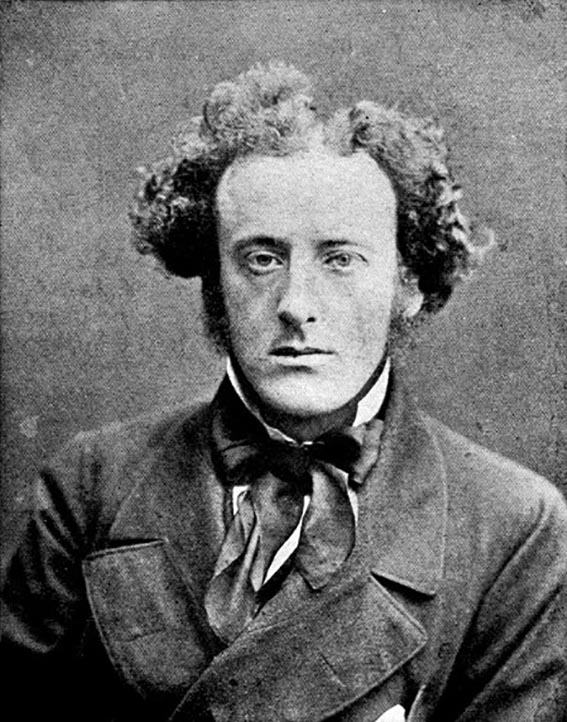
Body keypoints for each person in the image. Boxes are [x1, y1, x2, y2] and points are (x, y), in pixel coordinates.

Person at [2, 62, 566, 722]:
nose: (296, 304)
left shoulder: (513, 528)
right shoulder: (91, 487)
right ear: (214, 283)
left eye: (340, 259)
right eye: (262, 259)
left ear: (408, 283)